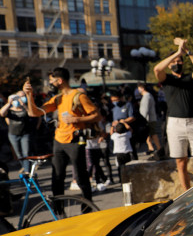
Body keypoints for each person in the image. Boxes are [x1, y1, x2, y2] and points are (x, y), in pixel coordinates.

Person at [23, 68, 101, 203]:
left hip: (75, 140)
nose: (50, 83)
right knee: (57, 176)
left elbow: (97, 116)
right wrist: (29, 95)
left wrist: (77, 120)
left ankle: (87, 206)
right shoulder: (57, 98)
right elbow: (34, 113)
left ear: (60, 81)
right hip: (59, 141)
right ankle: (59, 210)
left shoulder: (79, 96)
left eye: (52, 80)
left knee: (81, 176)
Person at [154, 37, 193, 192]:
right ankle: (187, 193)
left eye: (179, 61)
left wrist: (187, 52)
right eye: (174, 62)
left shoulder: (189, 78)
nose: (177, 63)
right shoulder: (167, 79)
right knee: (181, 161)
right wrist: (176, 53)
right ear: (169, 63)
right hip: (175, 124)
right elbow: (157, 69)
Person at [1, 91, 36, 175]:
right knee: (19, 154)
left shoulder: (25, 108)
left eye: (23, 97)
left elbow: (31, 114)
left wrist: (23, 104)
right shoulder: (10, 110)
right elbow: (2, 113)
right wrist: (9, 103)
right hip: (13, 134)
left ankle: (27, 171)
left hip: (25, 133)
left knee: (26, 152)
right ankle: (25, 167)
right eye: (19, 97)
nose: (20, 99)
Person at [137, 83, 163, 160]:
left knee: (152, 133)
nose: (138, 90)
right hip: (150, 118)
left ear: (142, 88)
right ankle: (152, 148)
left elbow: (144, 110)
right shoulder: (148, 96)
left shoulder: (146, 96)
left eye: (138, 88)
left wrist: (142, 119)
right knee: (150, 134)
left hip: (149, 119)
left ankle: (159, 148)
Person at [111, 119, 132, 184]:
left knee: (120, 167)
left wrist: (112, 126)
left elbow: (111, 133)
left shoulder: (115, 136)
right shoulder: (127, 135)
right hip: (127, 153)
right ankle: (129, 178)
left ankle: (122, 180)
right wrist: (124, 122)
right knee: (128, 167)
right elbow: (130, 129)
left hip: (119, 155)